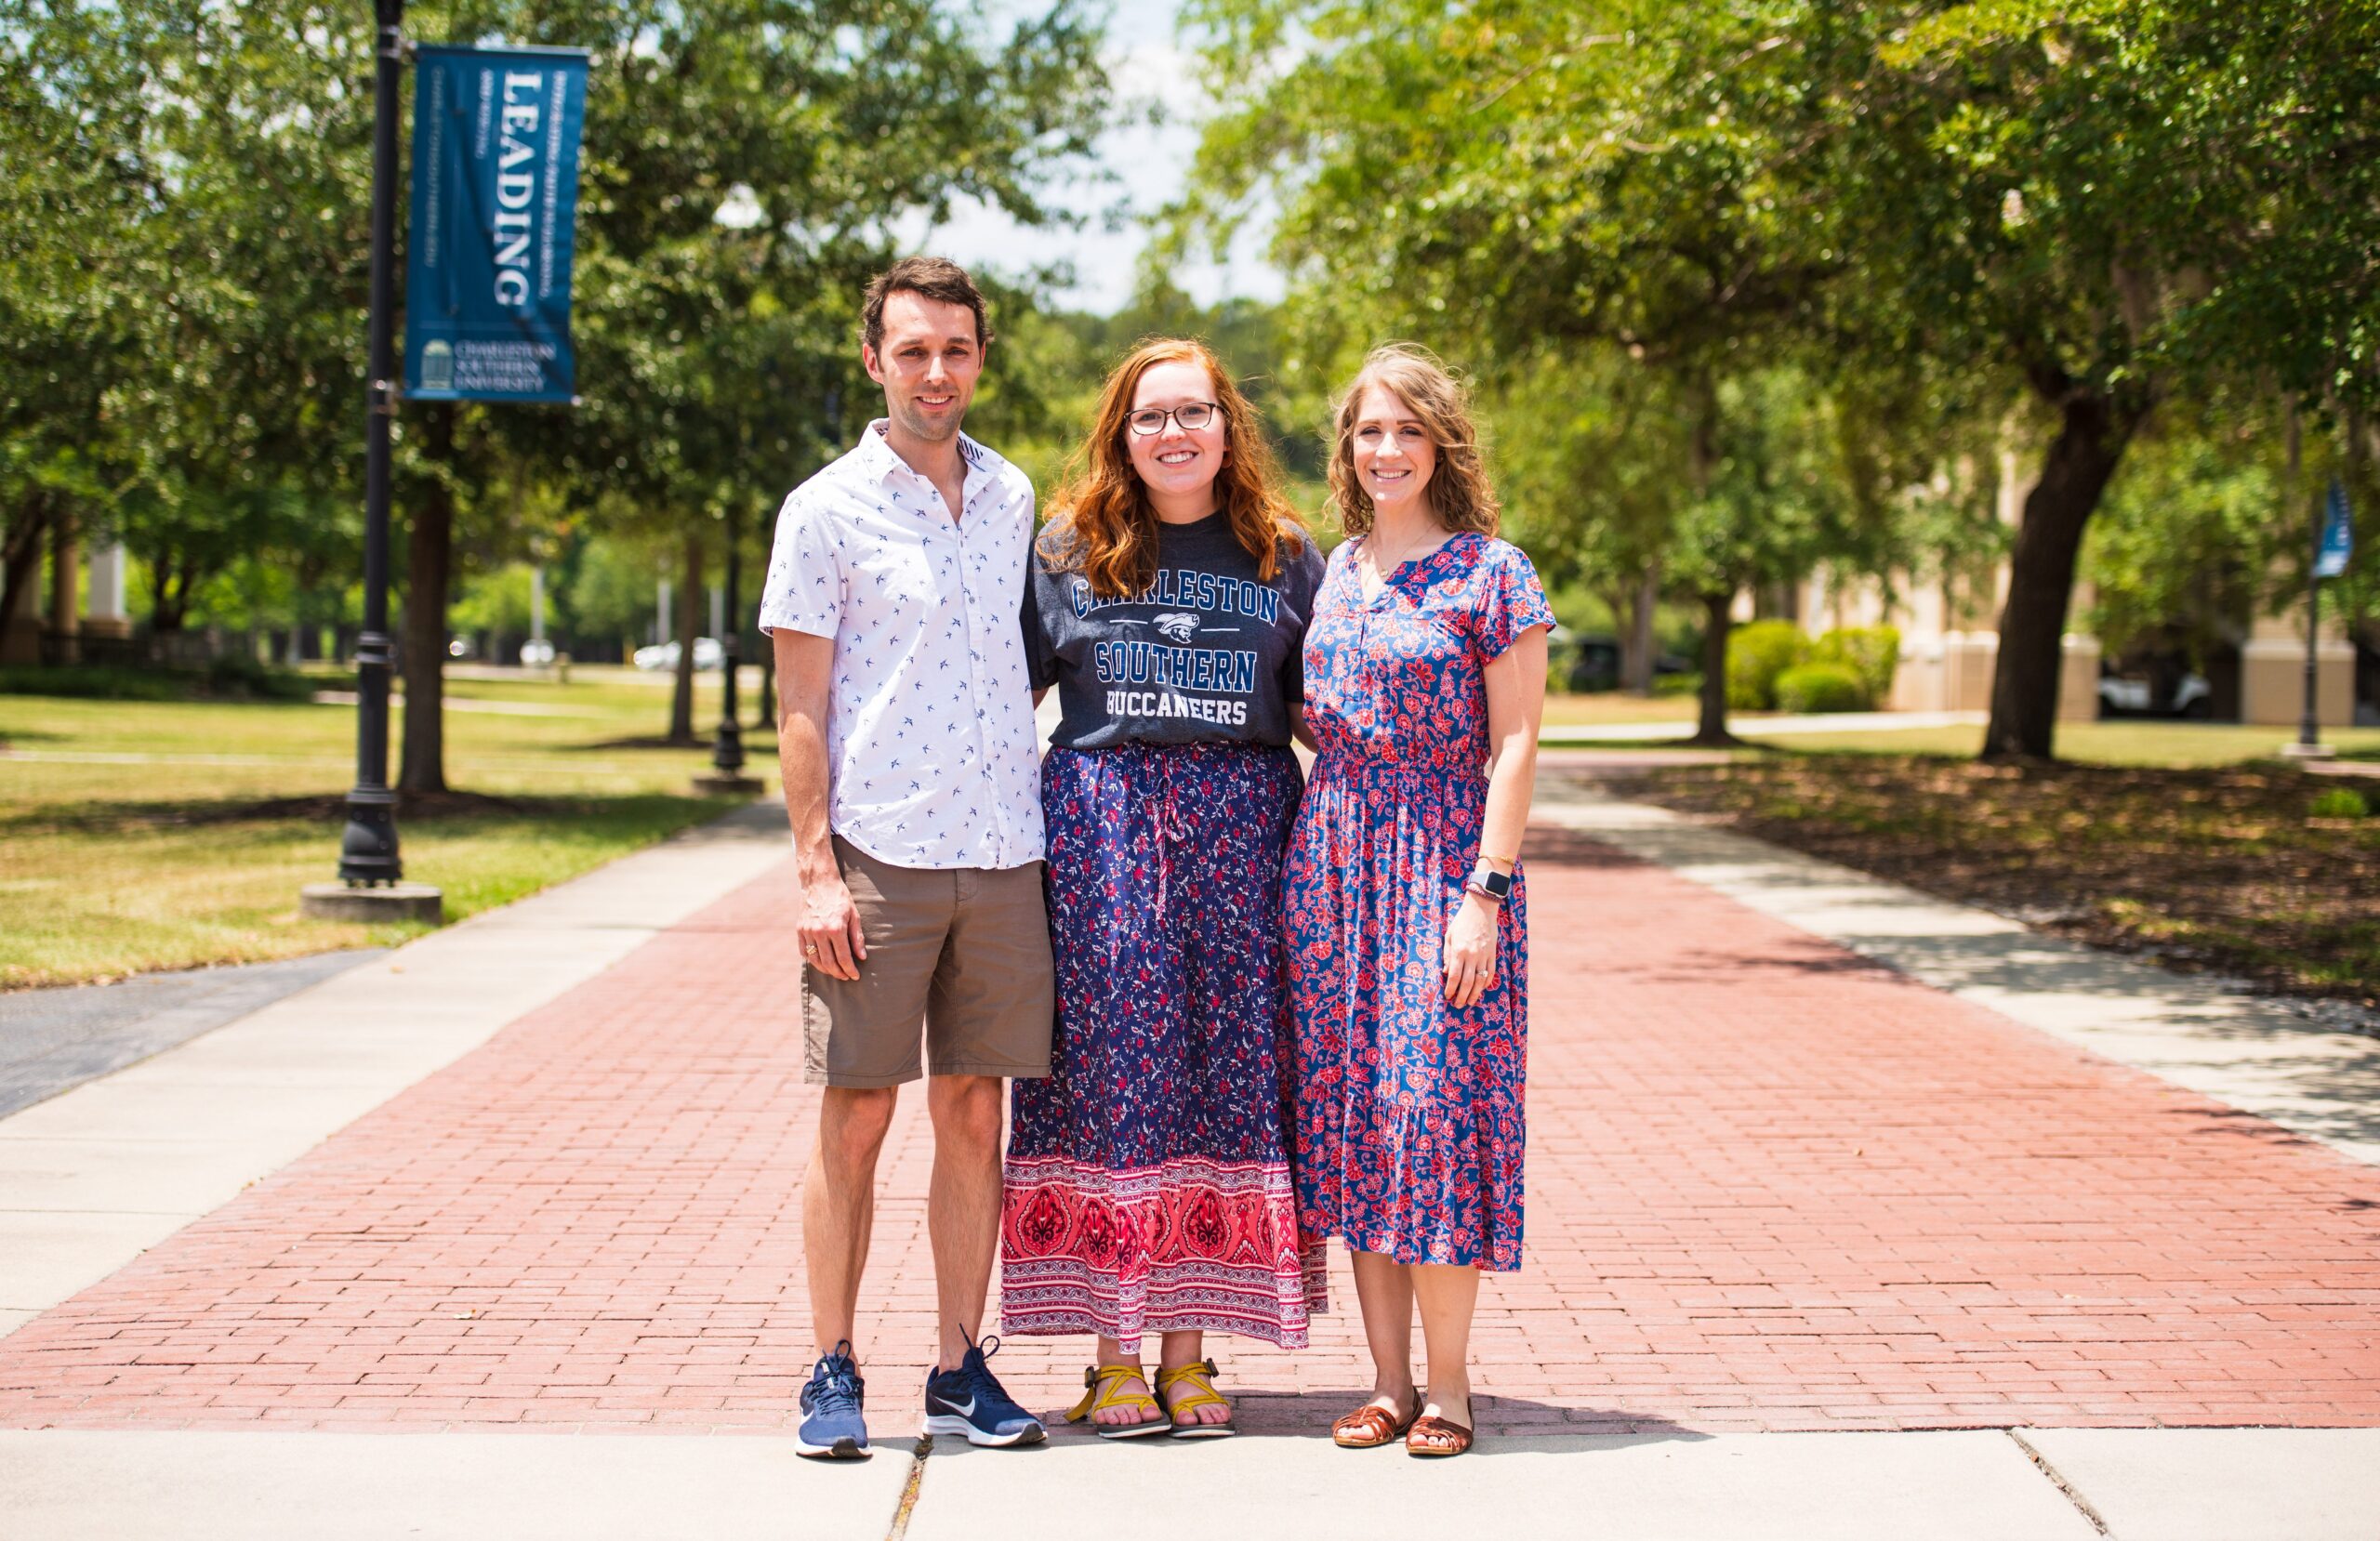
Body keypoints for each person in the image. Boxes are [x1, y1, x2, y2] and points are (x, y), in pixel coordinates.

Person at [999, 338, 1329, 1439]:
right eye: (1150, 417)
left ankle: (1191, 1351)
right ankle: (1111, 1357)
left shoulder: (1282, 553)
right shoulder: (1066, 547)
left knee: (1226, 1074)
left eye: (1193, 411)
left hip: (1244, 830)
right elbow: (1001, 697)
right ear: (1120, 435)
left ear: (1228, 425)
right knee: (1110, 1077)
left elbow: (1325, 706)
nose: (1173, 433)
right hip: (1100, 830)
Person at [759, 257, 1053, 1461]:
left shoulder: (1014, 494)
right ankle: (831, 1365)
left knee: (975, 1115)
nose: (938, 371)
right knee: (856, 1117)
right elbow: (799, 705)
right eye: (915, 349)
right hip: (876, 851)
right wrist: (815, 868)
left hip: (1002, 850)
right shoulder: (822, 508)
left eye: (958, 349)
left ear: (982, 359)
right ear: (874, 359)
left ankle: (955, 1363)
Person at [1283, 343, 1553, 1459]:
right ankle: (1384, 1380)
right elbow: (1314, 714)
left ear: (1440, 439)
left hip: (1446, 866)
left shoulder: (1494, 571)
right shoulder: (1331, 568)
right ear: (1346, 447)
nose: (1384, 449)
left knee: (1433, 1116)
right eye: (1366, 431)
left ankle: (1450, 1386)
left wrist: (1482, 892)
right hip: (1331, 866)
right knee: (1358, 1123)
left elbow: (1519, 740)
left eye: (1404, 429)